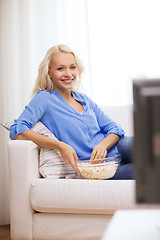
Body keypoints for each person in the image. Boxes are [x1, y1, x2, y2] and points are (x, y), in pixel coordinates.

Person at [10, 44, 133, 179]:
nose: (68, 73)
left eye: (72, 67)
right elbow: (17, 130)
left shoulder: (83, 99)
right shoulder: (44, 99)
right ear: (49, 73)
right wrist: (60, 146)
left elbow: (115, 129)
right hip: (100, 168)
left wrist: (102, 146)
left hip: (119, 147)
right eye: (60, 68)